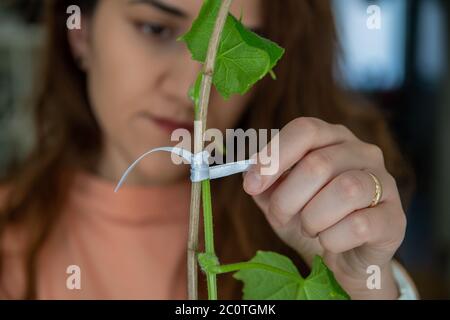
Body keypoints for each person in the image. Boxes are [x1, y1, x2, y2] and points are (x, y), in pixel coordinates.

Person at [0, 0, 417, 299]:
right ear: (80, 31)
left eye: (234, 49)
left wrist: (364, 286)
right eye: (155, 28)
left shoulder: (300, 225)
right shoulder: (11, 237)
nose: (190, 88)